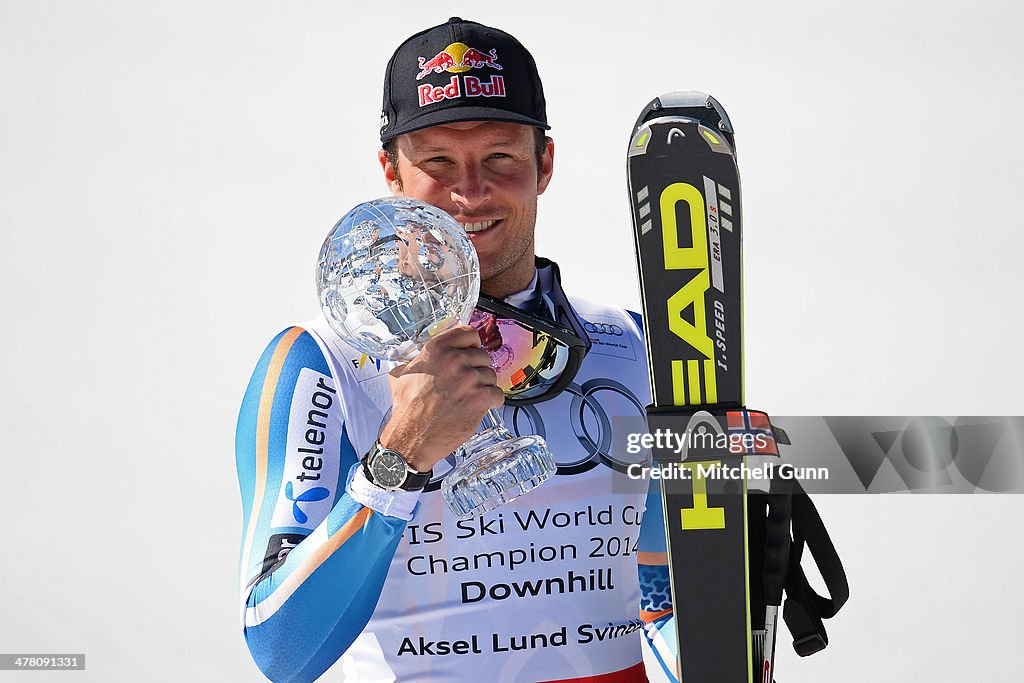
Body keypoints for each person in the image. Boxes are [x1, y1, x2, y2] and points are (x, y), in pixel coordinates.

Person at [235, 17, 677, 683]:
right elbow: (279, 647)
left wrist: (735, 590)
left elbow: (660, 602)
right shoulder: (323, 365)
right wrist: (402, 454)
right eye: (437, 162)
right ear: (391, 171)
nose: (470, 192)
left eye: (500, 157)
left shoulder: (635, 348)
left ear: (544, 162)